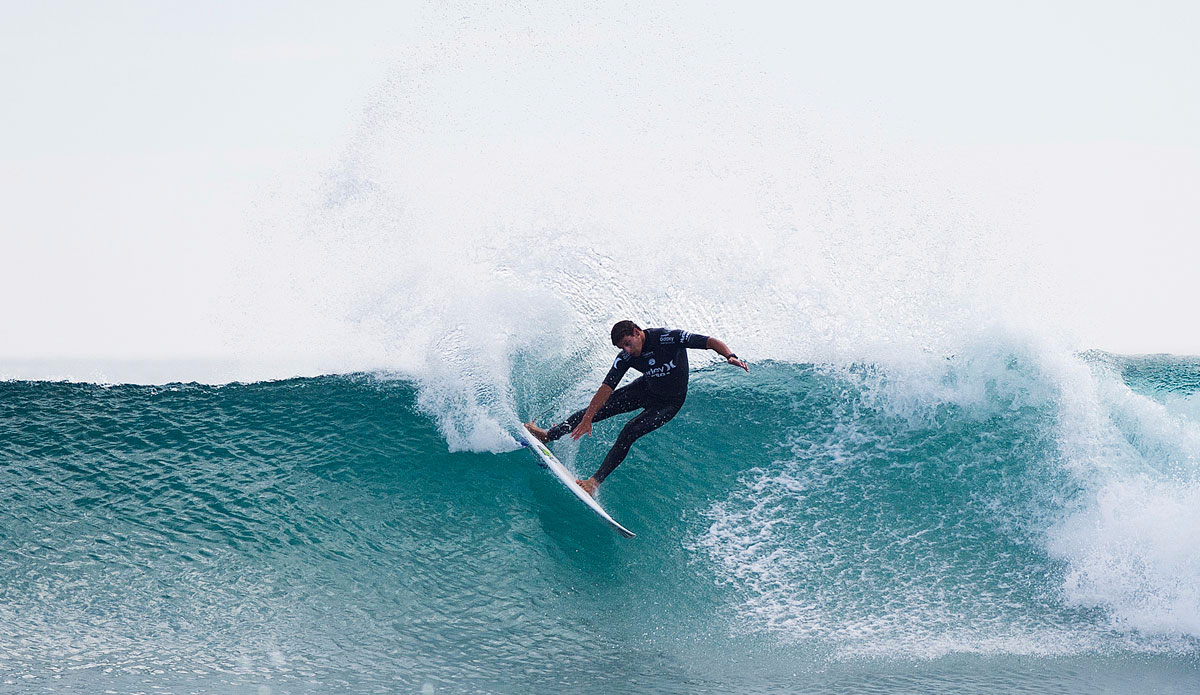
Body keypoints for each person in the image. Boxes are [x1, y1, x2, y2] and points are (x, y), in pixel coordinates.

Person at [525, 320, 748, 497]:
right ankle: (548, 435)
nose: (627, 350)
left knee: (630, 431)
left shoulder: (668, 338)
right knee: (594, 410)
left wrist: (729, 356)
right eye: (622, 347)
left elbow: (709, 341)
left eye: (627, 343)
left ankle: (593, 483)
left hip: (669, 403)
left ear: (637, 332)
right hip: (644, 389)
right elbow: (606, 387)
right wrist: (588, 418)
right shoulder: (626, 356)